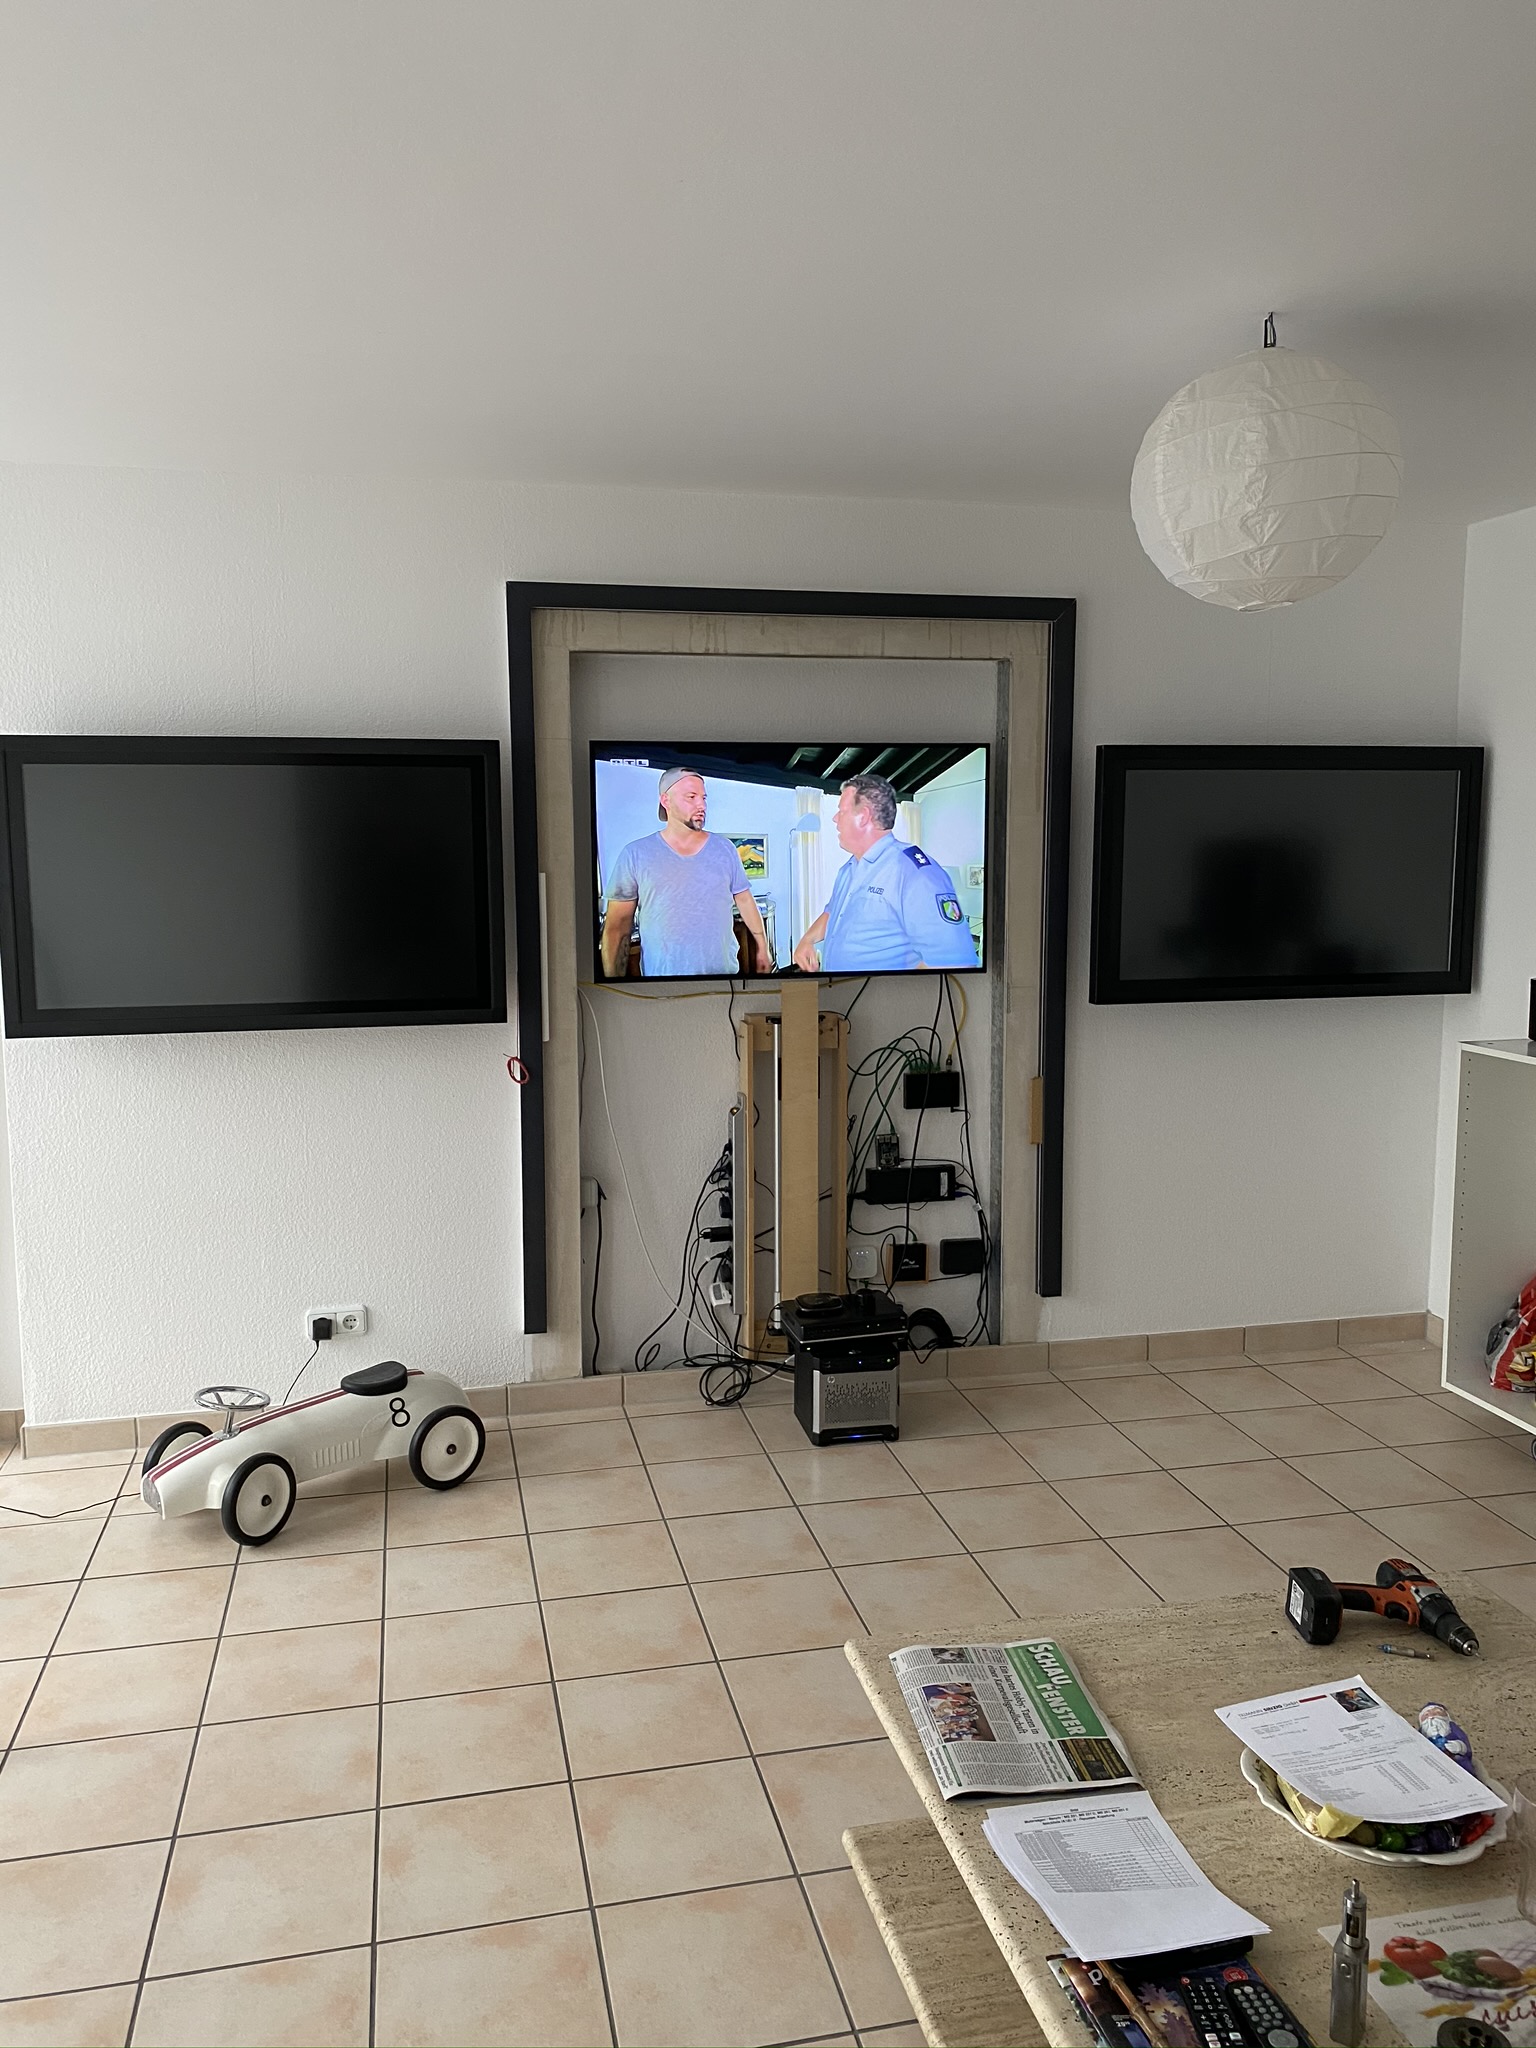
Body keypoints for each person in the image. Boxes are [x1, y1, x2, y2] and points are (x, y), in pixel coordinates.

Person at [793, 772, 979, 974]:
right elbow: (832, 913)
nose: (835, 818)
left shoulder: (915, 874)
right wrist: (807, 939)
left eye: (842, 811)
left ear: (864, 817)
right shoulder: (847, 870)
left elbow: (956, 962)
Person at [601, 767, 773, 978]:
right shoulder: (635, 854)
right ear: (666, 800)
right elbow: (618, 927)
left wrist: (762, 946)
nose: (702, 805)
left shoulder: (725, 849)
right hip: (663, 983)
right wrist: (612, 984)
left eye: (703, 798)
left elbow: (745, 900)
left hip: (725, 979)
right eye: (691, 797)